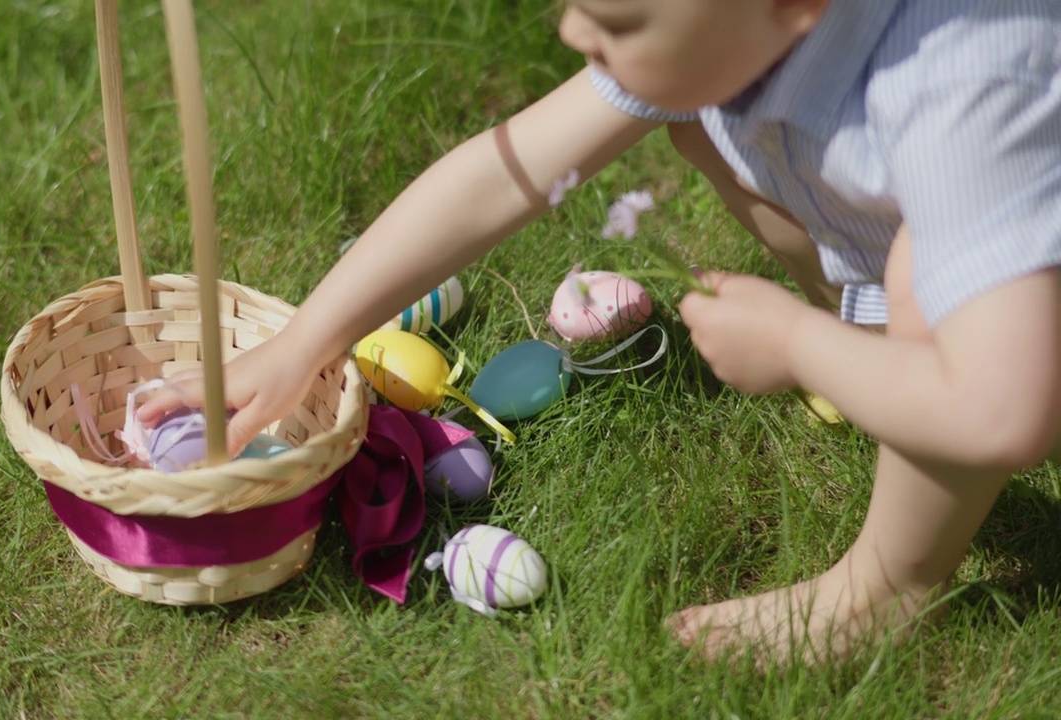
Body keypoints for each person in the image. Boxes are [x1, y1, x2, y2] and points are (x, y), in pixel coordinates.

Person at [138, 0, 1061, 664]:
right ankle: (875, 348)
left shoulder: (970, 81)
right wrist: (309, 339)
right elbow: (506, 176)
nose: (573, 33)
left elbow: (1007, 413)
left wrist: (798, 347)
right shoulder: (739, 26)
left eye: (613, 22)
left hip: (1018, 340)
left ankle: (884, 588)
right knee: (697, 117)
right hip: (940, 249)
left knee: (923, 289)